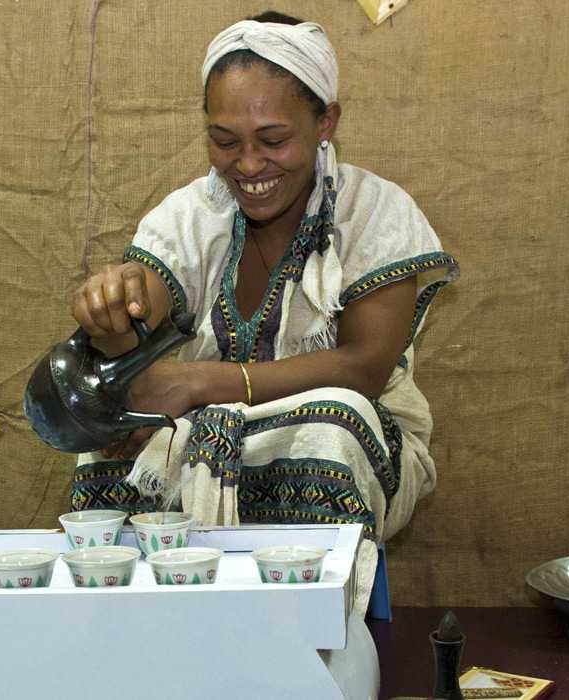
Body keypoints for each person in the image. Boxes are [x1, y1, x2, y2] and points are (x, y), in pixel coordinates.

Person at [65, 11, 457, 612]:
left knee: (333, 423)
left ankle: (310, 634)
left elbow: (364, 369)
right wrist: (115, 303)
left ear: (326, 121)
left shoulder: (374, 211)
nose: (248, 165)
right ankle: (132, 631)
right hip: (209, 437)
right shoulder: (190, 215)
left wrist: (201, 381)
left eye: (273, 140)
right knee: (107, 444)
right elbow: (146, 304)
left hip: (350, 439)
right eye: (225, 141)